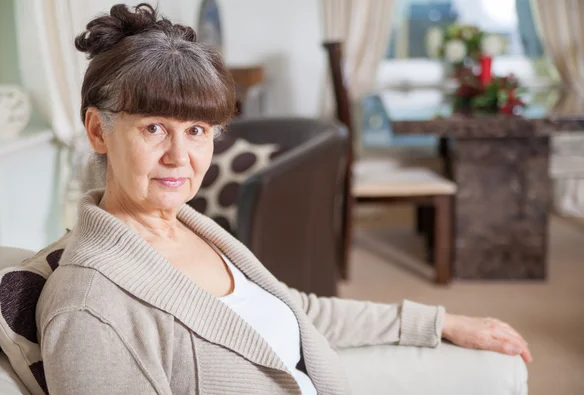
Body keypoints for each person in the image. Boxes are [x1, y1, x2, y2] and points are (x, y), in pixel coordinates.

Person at [36, 3, 532, 394]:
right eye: (153, 128)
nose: (179, 156)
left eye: (196, 130)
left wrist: (440, 321)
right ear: (98, 130)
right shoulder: (88, 308)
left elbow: (292, 310)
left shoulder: (188, 224)